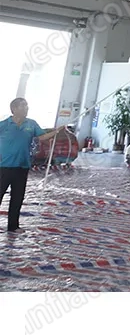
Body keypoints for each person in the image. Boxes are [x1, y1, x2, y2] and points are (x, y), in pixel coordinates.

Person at [0, 98, 67, 233]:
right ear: (14, 109)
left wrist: (56, 131)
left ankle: (13, 226)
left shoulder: (31, 124)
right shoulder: (4, 125)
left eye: (27, 106)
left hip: (22, 166)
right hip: (3, 166)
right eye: (23, 106)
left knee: (17, 197)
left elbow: (42, 137)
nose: (26, 108)